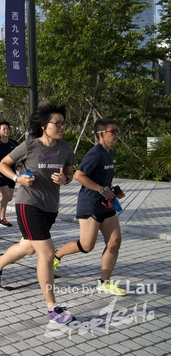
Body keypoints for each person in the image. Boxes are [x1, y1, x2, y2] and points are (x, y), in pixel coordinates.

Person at [0, 102, 76, 325]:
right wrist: (17, 178)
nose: (62, 127)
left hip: (50, 207)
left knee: (27, 248)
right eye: (57, 123)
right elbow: (3, 164)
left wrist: (65, 180)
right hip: (28, 205)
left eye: (63, 123)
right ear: (44, 126)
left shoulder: (65, 149)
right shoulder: (30, 146)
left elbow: (70, 174)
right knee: (46, 254)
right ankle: (52, 308)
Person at [53, 118, 126, 296]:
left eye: (117, 131)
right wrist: (101, 189)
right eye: (113, 131)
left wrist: (113, 190)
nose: (117, 134)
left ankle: (104, 282)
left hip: (106, 205)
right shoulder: (95, 153)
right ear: (101, 134)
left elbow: (101, 179)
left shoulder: (109, 153)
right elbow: (79, 175)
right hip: (90, 204)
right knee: (86, 246)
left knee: (115, 241)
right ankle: (56, 256)